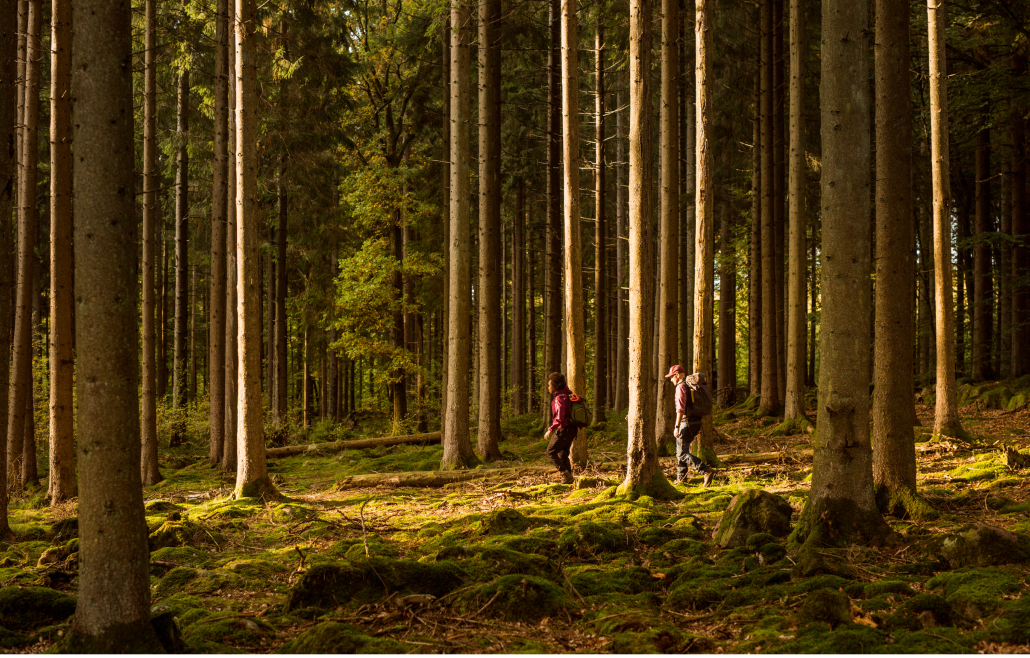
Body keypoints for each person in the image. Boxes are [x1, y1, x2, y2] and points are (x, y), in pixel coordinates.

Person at [666, 365, 716, 487]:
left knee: (682, 453)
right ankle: (681, 479)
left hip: (686, 422)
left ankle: (705, 470)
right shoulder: (691, 386)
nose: (671, 380)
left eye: (672, 377)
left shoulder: (681, 387)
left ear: (677, 375)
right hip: (695, 422)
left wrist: (676, 426)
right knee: (681, 451)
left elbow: (680, 408)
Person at [544, 372, 577, 484]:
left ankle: (565, 475)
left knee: (550, 451)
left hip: (564, 429)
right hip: (572, 429)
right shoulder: (567, 394)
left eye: (550, 385)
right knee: (563, 454)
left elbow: (560, 417)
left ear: (555, 385)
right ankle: (569, 480)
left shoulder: (560, 398)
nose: (548, 387)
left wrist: (550, 429)